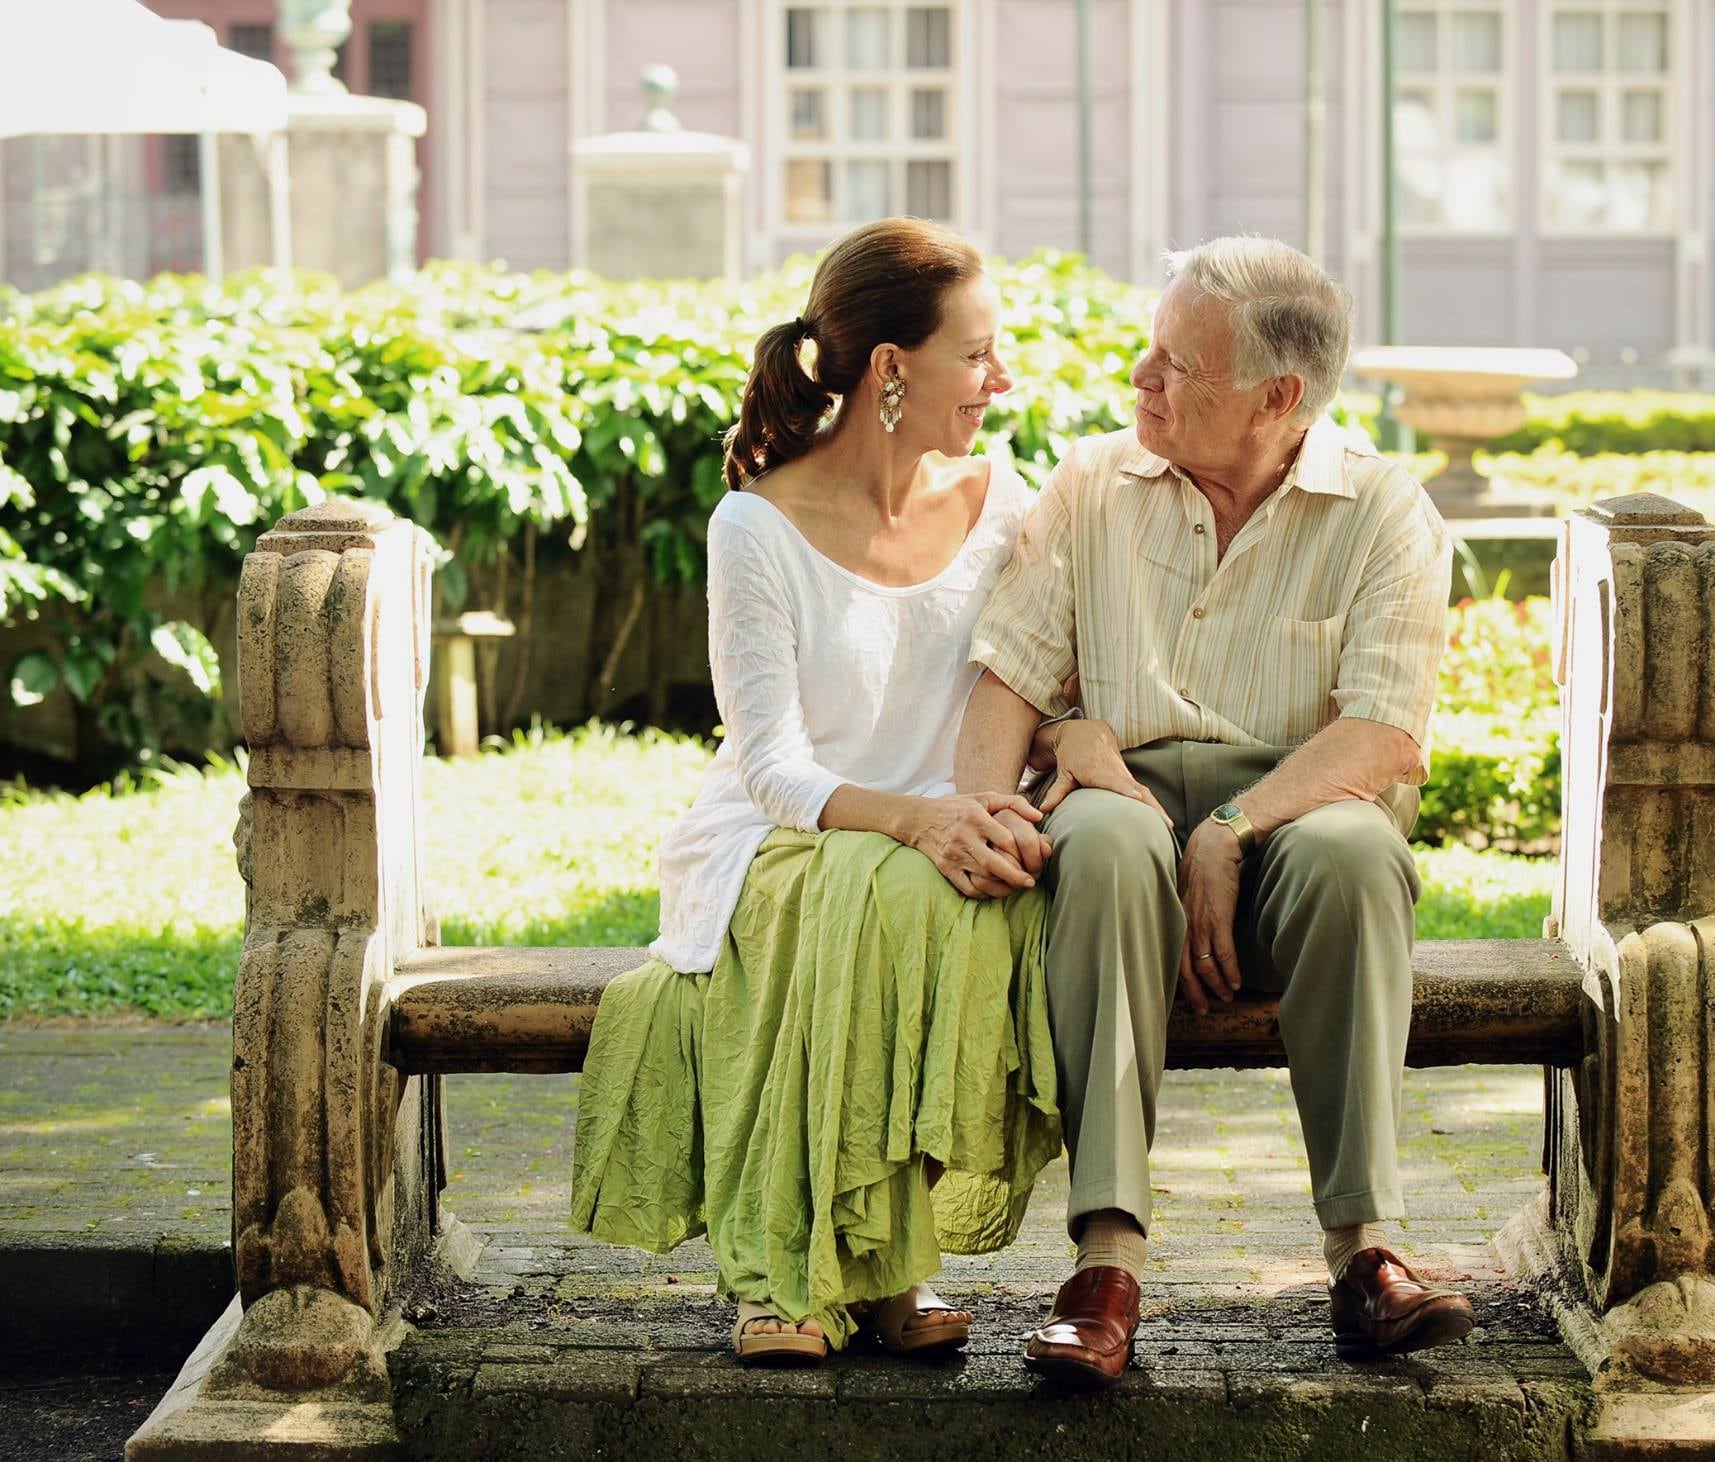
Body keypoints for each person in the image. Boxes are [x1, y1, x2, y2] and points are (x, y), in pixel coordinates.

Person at [955, 235, 1475, 1388]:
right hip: (1125, 795)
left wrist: (1232, 828)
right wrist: (990, 805)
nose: (1140, 379)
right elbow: (1008, 679)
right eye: (1147, 351)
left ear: (1277, 398)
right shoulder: (1094, 483)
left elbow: (1383, 733)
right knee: (1094, 837)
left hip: (1292, 809)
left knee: (1354, 855)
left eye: (1174, 365)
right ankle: (1106, 1261)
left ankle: (1365, 1250)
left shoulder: (1383, 509)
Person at [571, 217, 1062, 1367]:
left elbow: (1044, 677)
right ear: (891, 370)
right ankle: (793, 1269)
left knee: (938, 898)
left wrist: (1053, 756)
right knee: (870, 892)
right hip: (784, 833)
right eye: (978, 354)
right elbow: (772, 766)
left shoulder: (1005, 501)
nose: (1002, 377)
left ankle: (872, 1262)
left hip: (943, 839)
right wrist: (916, 818)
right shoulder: (756, 524)